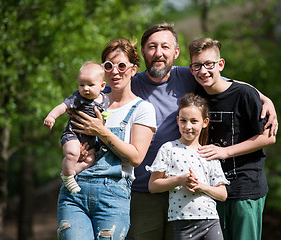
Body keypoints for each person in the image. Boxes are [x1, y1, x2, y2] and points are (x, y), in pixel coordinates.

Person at [126, 23, 278, 240]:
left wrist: (262, 97)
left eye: (165, 47)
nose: (158, 53)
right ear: (143, 51)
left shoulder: (187, 76)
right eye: (152, 47)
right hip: (151, 188)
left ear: (175, 52)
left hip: (205, 192)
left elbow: (225, 82)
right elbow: (96, 90)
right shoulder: (131, 83)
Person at [56, 37, 156, 240]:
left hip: (112, 193)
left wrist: (102, 132)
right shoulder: (86, 100)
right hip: (74, 189)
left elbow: (136, 158)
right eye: (108, 65)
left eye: (121, 65)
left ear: (133, 69)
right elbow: (66, 139)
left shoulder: (142, 109)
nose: (115, 71)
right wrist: (78, 150)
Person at [189, 37, 276, 240]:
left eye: (209, 64)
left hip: (245, 188)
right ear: (191, 69)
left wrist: (225, 151)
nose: (203, 71)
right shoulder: (197, 96)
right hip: (213, 190)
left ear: (221, 64)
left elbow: (268, 137)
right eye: (197, 65)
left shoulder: (244, 94)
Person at [147, 93, 230, 240]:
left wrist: (200, 186)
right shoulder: (168, 149)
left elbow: (222, 194)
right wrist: (179, 180)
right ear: (177, 121)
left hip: (210, 220)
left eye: (194, 121)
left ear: (204, 122)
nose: (188, 126)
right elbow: (153, 186)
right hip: (181, 222)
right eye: (183, 121)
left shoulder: (208, 153)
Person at [43, 61, 109, 194]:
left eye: (90, 85)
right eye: (82, 85)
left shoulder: (105, 100)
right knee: (73, 153)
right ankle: (68, 178)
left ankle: (69, 172)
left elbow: (105, 117)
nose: (85, 88)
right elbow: (63, 106)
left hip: (90, 140)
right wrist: (52, 116)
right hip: (73, 134)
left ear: (102, 86)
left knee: (90, 159)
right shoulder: (78, 98)